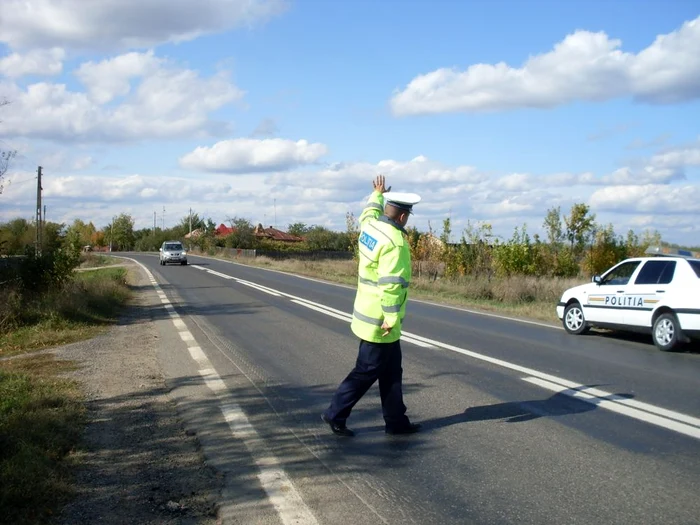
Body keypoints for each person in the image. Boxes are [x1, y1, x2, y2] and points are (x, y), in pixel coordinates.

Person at [321, 175, 422, 437]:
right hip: (380, 321)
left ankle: (396, 422)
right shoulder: (395, 242)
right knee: (365, 371)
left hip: (367, 313)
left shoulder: (371, 227)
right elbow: (391, 284)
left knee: (391, 372)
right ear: (402, 217)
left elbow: (368, 212)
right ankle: (335, 413)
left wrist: (377, 194)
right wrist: (390, 318)